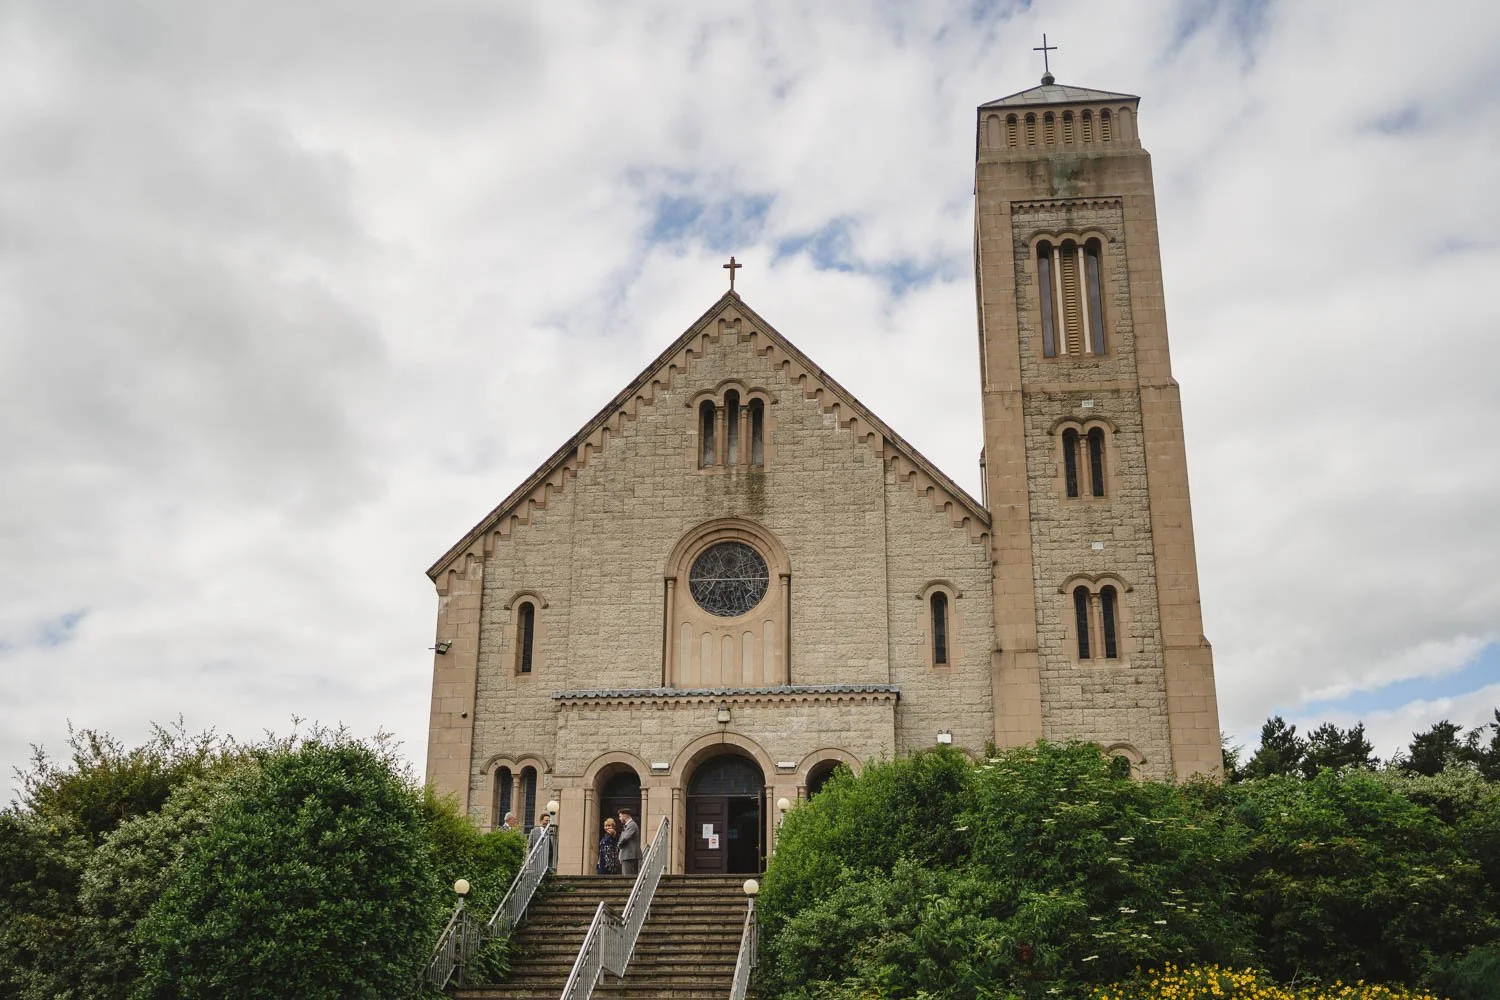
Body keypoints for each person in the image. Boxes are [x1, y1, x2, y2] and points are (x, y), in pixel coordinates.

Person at [616, 808, 640, 877]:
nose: (619, 818)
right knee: (626, 877)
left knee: (628, 878)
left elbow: (625, 838)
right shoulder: (628, 825)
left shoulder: (632, 825)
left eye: (620, 816)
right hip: (627, 855)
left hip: (629, 855)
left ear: (625, 816)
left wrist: (618, 845)